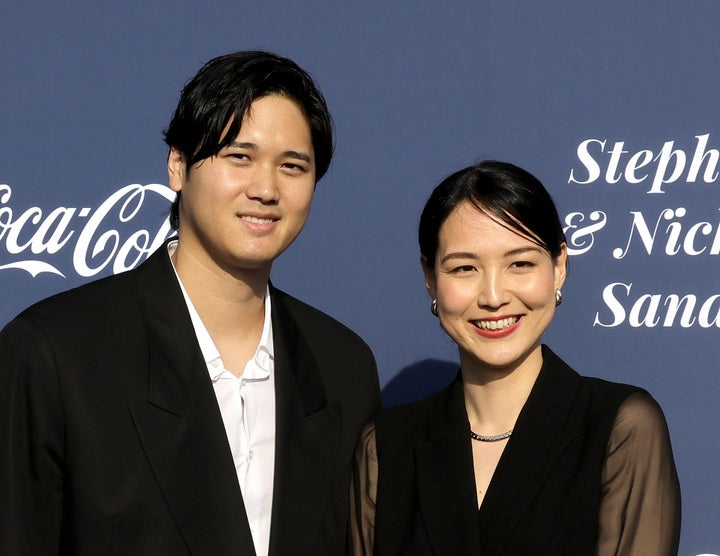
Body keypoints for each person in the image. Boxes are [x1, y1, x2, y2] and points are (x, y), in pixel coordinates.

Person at [0, 50, 381, 555]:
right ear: (178, 166)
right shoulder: (54, 352)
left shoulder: (341, 366)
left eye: (292, 166)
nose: (266, 189)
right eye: (239, 157)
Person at [351, 161, 680, 555]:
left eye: (520, 264)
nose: (493, 296)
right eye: (465, 268)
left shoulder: (619, 427)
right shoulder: (386, 448)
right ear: (429, 277)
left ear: (558, 267)